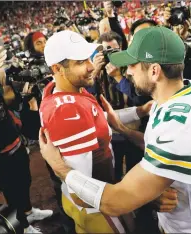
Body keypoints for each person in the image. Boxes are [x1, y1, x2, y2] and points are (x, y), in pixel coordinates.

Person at [39, 26, 191, 234]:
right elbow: (157, 145)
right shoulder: (181, 91)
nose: (127, 71)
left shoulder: (182, 125)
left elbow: (117, 201)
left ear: (154, 71)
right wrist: (121, 128)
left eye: (133, 65)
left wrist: (60, 168)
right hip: (182, 217)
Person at [40, 30, 151, 233]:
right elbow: (80, 188)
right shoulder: (67, 110)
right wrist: (115, 204)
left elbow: (98, 119)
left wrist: (139, 111)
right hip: (96, 206)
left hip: (103, 192)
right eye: (80, 62)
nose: (91, 67)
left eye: (88, 59)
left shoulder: (69, 91)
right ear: (57, 68)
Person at [0, 47, 53, 234]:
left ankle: (28, 212)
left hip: (11, 141)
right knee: (12, 191)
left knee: (24, 180)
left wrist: (14, 121)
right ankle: (23, 227)